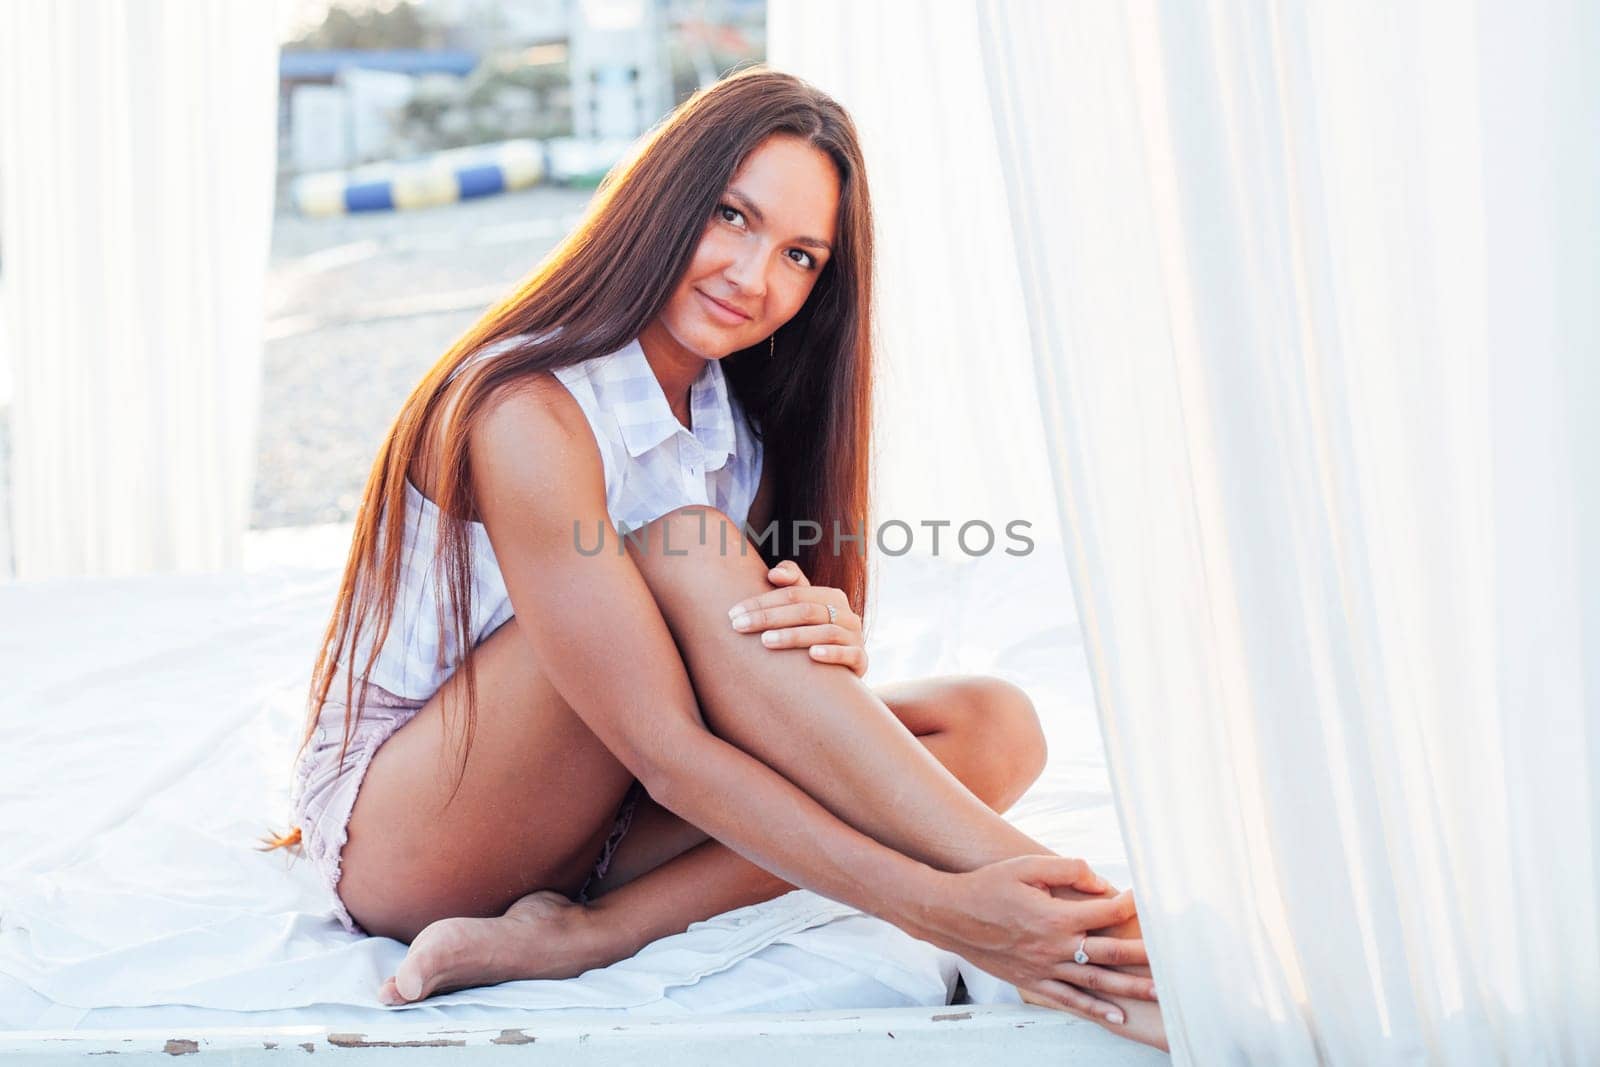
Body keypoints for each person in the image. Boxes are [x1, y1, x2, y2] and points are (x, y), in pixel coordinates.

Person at [260, 65, 1166, 1052]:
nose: (753, 276)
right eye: (732, 216)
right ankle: (1104, 936)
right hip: (420, 835)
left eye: (800, 255)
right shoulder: (526, 405)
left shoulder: (733, 427)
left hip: (603, 819)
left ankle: (588, 930)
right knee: (687, 547)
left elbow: (725, 707)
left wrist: (815, 637)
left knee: (993, 724)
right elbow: (668, 747)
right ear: (664, 201)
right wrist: (942, 904)